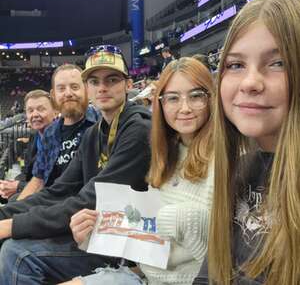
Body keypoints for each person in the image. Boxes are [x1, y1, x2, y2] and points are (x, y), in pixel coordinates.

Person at [0, 44, 151, 285]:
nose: (102, 87)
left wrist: (13, 225)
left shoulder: (139, 129)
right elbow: (58, 190)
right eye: (94, 81)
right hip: (94, 232)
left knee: (17, 254)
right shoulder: (94, 133)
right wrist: (4, 215)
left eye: (112, 80)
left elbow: (91, 198)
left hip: (127, 246)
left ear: (128, 85)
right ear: (88, 88)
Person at [63, 57, 214, 285]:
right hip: (145, 276)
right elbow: (150, 240)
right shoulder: (165, 154)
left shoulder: (229, 158)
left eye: (195, 96)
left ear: (212, 98)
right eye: (173, 98)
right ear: (160, 104)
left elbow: (225, 254)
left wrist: (171, 218)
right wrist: (94, 233)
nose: (184, 108)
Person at [193, 0, 300, 285]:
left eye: (278, 63)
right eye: (236, 65)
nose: (250, 82)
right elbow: (209, 275)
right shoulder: (242, 167)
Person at [16, 64, 99, 200]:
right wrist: (15, 209)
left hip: (85, 208)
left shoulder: (101, 123)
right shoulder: (50, 133)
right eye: (61, 88)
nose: (68, 93)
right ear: (54, 95)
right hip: (50, 204)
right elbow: (38, 180)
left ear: (87, 90)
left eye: (74, 87)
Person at [0, 89, 56, 200]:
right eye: (30, 110)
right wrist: (8, 185)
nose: (35, 114)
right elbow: (27, 173)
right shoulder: (35, 137)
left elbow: (56, 185)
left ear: (55, 111)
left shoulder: (61, 139)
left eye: (41, 109)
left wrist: (19, 186)